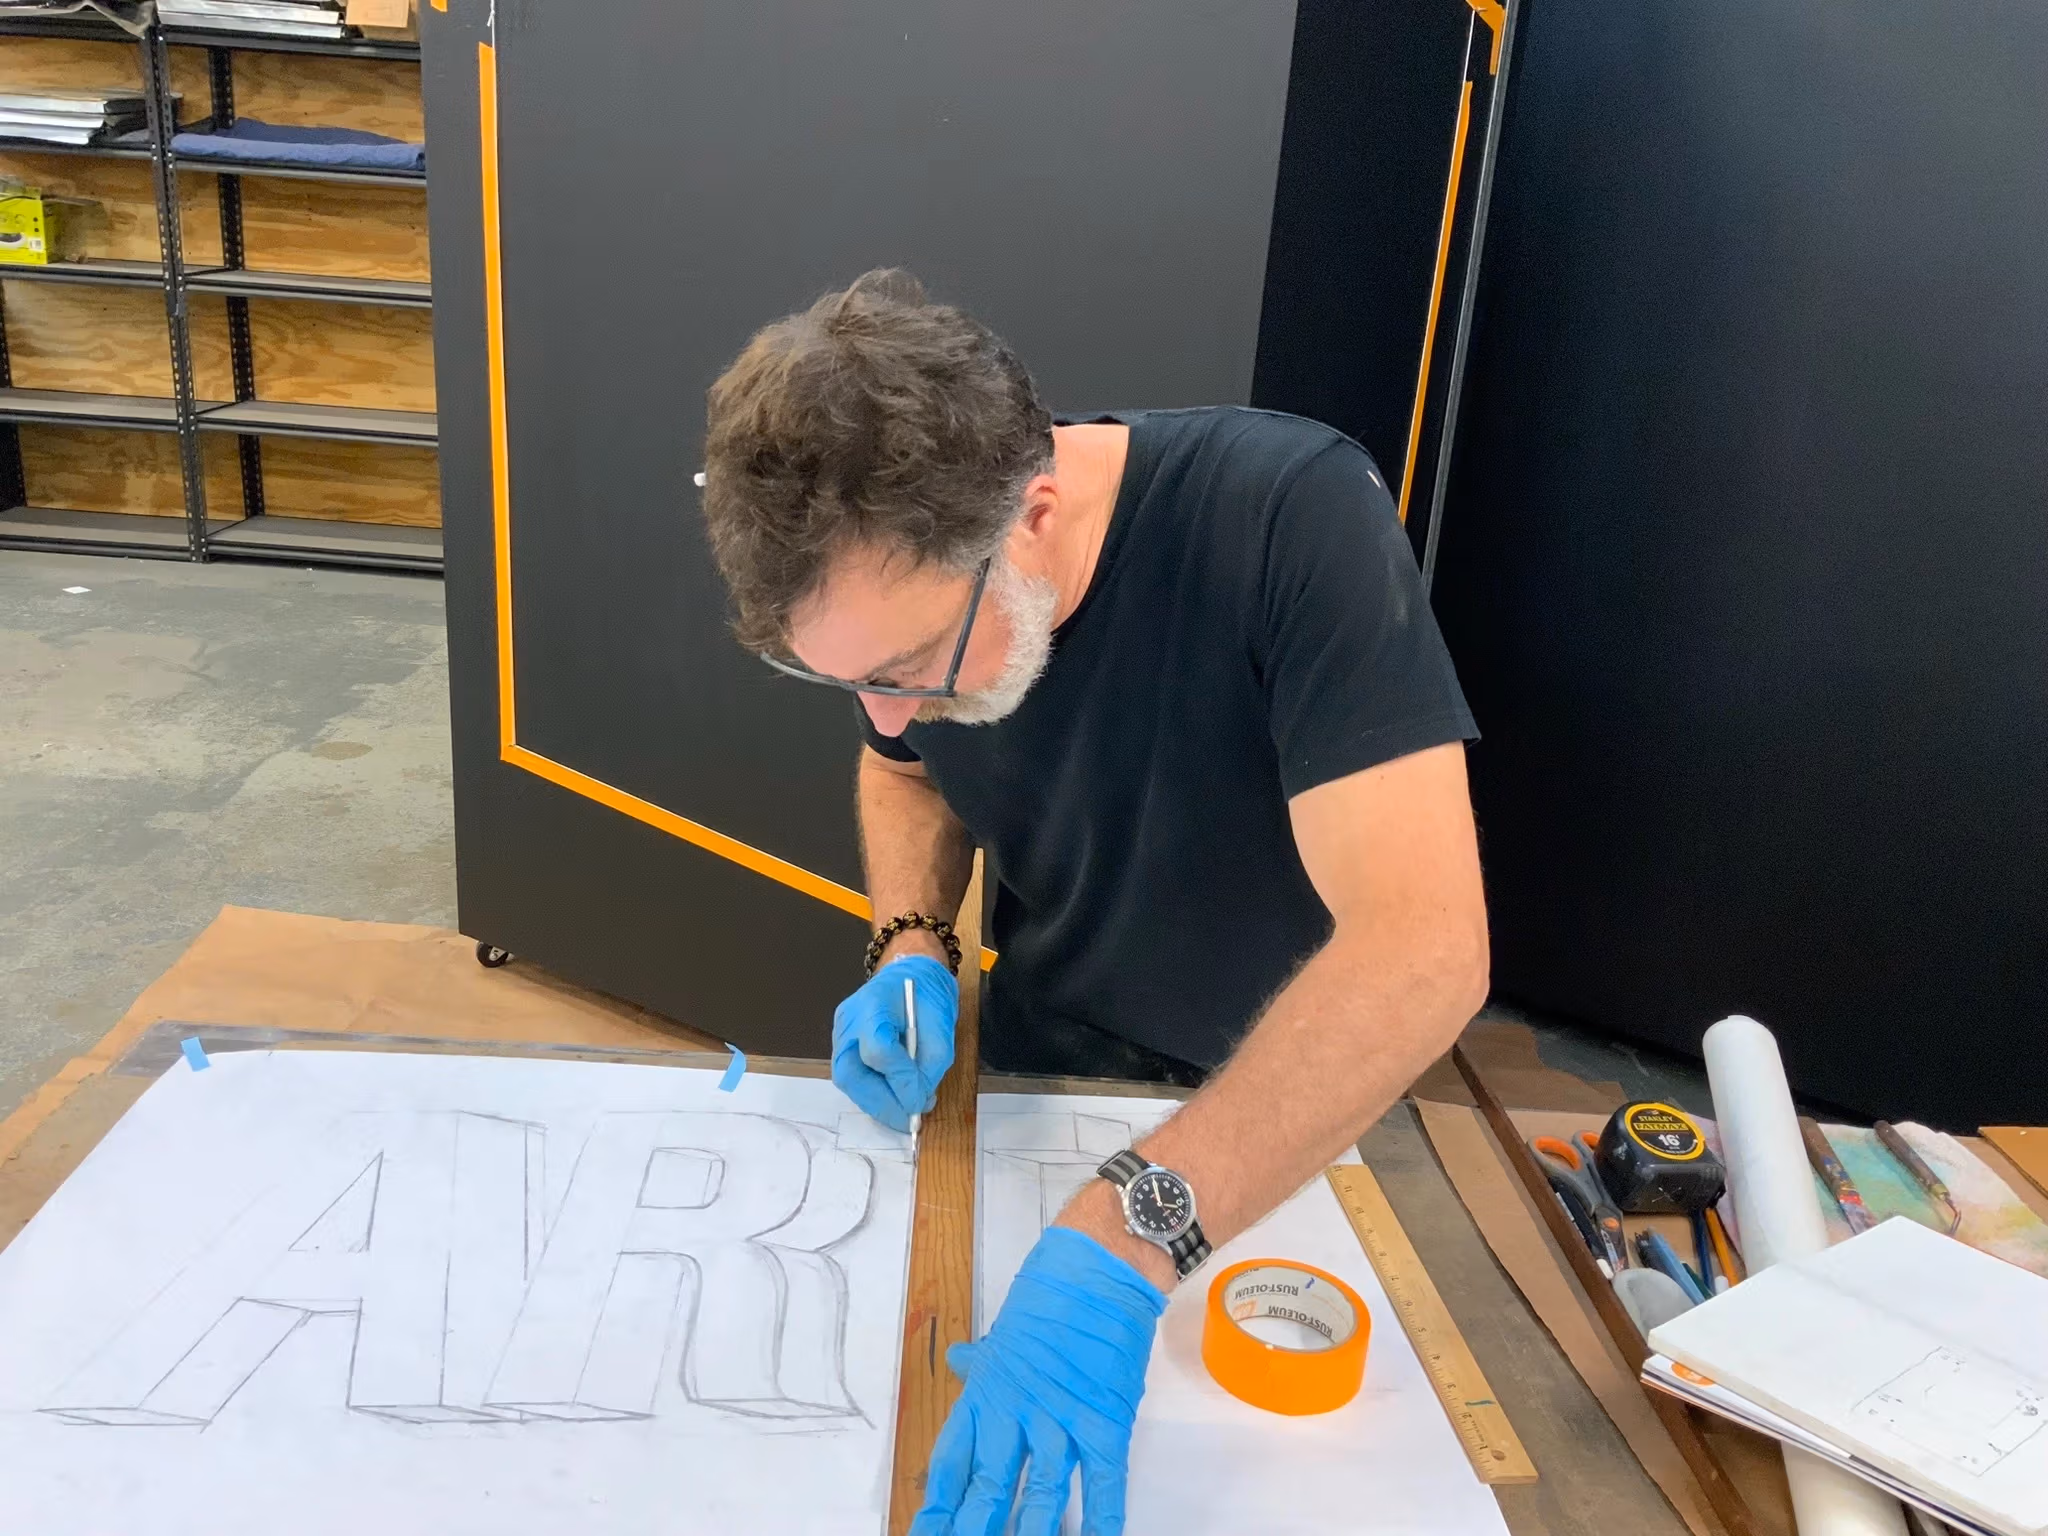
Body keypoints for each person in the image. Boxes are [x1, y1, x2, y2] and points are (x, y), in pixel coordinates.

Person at [699, 270, 1488, 1535]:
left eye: (905, 668)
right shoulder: (924, 622)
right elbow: (901, 772)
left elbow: (1426, 953)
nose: (888, 713)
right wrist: (907, 940)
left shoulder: (1288, 518)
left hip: (1289, 1133)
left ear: (1032, 517)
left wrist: (1133, 1232)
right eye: (843, 680)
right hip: (1042, 1091)